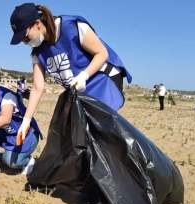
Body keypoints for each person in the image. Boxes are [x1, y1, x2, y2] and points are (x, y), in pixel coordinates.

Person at [9, 3, 132, 190]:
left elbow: (102, 53)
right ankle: (86, 180)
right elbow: (37, 87)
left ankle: (109, 184)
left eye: (25, 36)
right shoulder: (38, 51)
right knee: (75, 134)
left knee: (97, 134)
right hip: (79, 89)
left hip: (101, 79)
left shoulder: (71, 27)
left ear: (37, 23)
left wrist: (84, 75)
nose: (26, 42)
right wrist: (26, 121)